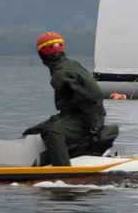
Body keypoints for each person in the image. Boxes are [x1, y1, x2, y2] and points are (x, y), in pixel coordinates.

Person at [22, 30, 110, 167]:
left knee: (54, 132)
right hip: (73, 115)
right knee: (32, 132)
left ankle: (63, 172)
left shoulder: (61, 74)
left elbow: (92, 97)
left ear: (42, 54)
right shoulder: (71, 65)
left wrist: (94, 126)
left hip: (87, 119)